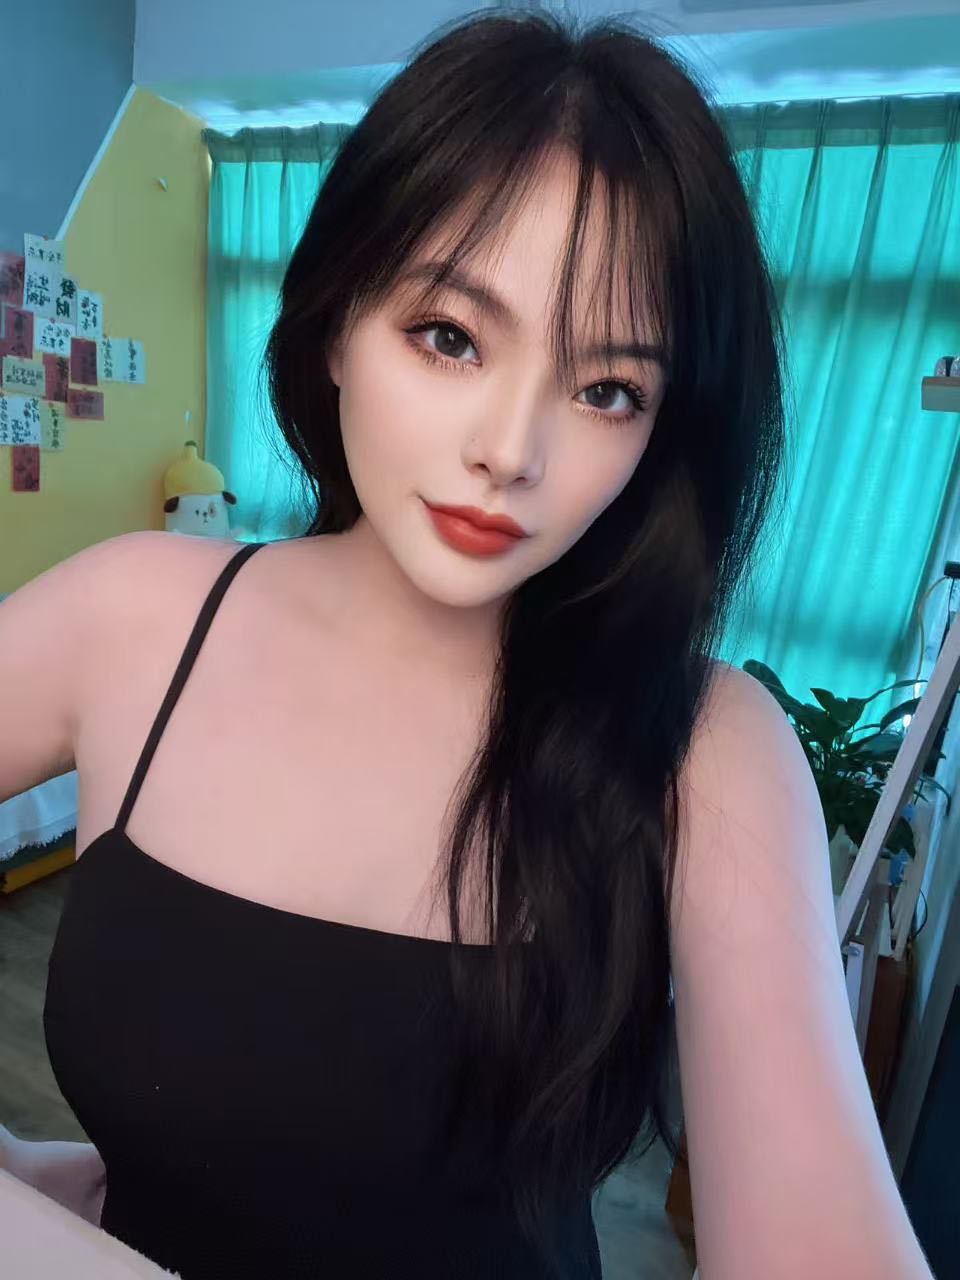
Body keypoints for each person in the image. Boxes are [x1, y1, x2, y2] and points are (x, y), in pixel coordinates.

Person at [0, 9, 935, 1280]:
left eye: (606, 389)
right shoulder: (132, 615)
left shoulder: (706, 749)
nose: (511, 450)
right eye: (450, 335)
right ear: (338, 318)